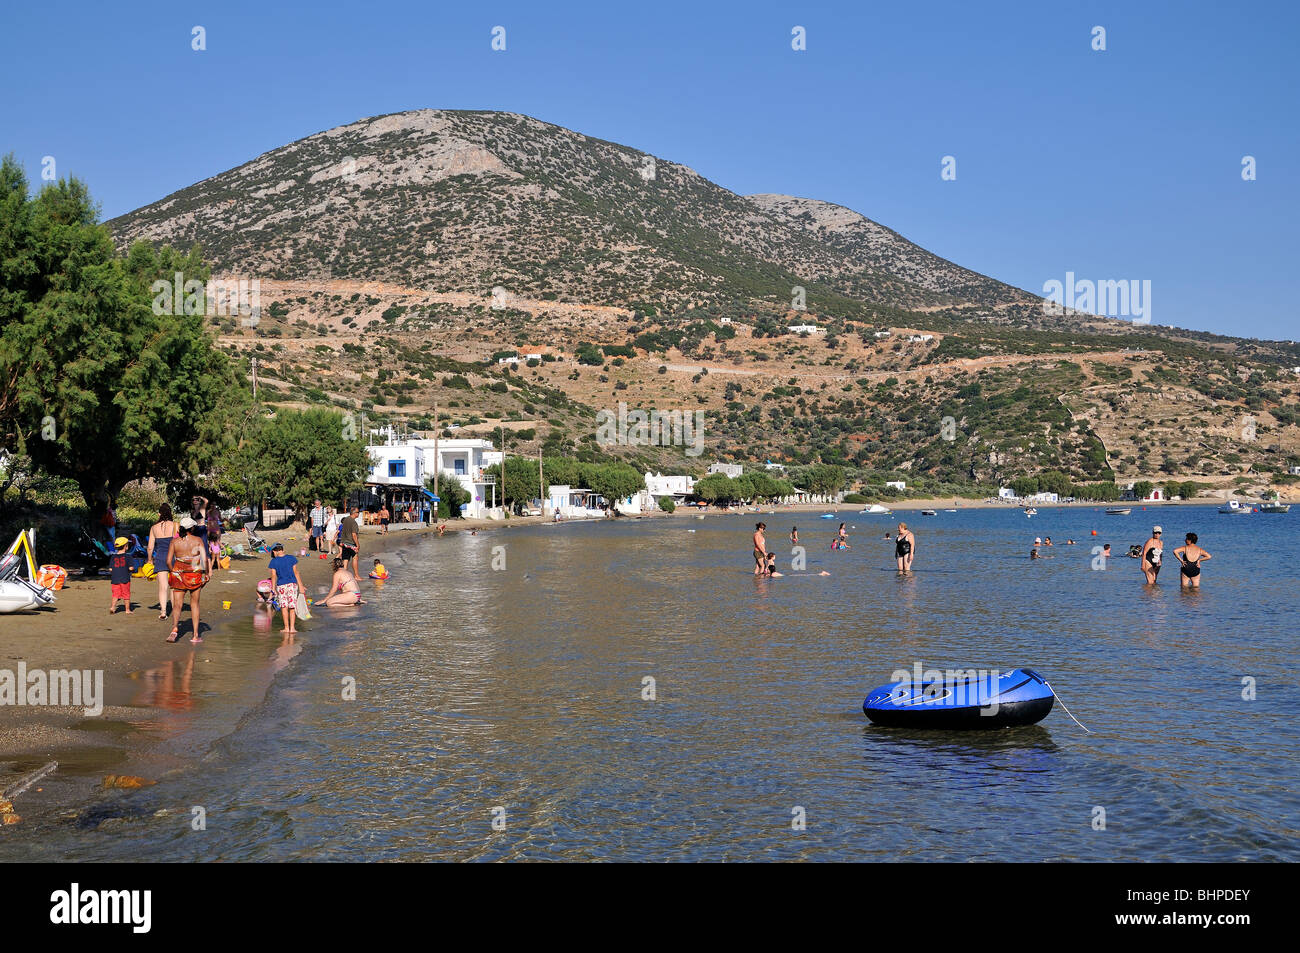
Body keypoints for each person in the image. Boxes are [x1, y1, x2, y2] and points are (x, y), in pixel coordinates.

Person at [167, 517, 210, 643]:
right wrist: (206, 574)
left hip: (178, 573)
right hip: (194, 573)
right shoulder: (198, 540)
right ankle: (195, 635)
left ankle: (174, 629)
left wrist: (173, 571)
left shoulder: (174, 542)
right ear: (192, 528)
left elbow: (169, 561)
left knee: (177, 604)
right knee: (195, 604)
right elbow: (203, 560)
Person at [146, 504, 177, 620]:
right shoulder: (175, 525)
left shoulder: (154, 528)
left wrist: (150, 559)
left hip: (160, 557)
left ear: (159, 514)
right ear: (170, 513)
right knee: (173, 586)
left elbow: (150, 547)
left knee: (162, 586)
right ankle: (175, 610)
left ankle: (163, 612)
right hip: (173, 557)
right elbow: (179, 540)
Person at [267, 542, 305, 635]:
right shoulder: (292, 558)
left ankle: (286, 628)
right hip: (292, 585)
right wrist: (301, 586)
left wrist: (273, 589)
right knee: (292, 607)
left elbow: (273, 576)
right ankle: (292, 628)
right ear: (282, 549)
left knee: (284, 607)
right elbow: (296, 572)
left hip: (281, 586)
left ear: (275, 551)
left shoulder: (274, 561)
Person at [109, 537, 132, 614]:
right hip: (125, 578)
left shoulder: (113, 557)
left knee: (115, 594)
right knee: (126, 594)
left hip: (115, 579)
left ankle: (112, 607)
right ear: (126, 546)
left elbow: (110, 569)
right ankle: (127, 610)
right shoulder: (128, 556)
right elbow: (131, 568)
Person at [340, 506, 361, 578]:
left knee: (345, 559)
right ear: (354, 513)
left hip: (344, 542)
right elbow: (354, 535)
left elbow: (343, 531)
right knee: (355, 557)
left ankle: (344, 576)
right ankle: (356, 575)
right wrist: (357, 545)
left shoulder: (346, 520)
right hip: (351, 543)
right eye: (358, 512)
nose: (359, 513)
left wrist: (341, 541)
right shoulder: (353, 522)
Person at [205, 501, 223, 573]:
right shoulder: (208, 512)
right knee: (210, 545)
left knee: (217, 543)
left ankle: (216, 562)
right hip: (210, 529)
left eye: (215, 504)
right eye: (212, 504)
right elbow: (204, 519)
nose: (213, 506)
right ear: (210, 505)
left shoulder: (218, 512)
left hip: (216, 529)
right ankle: (211, 562)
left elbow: (220, 519)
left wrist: (224, 520)